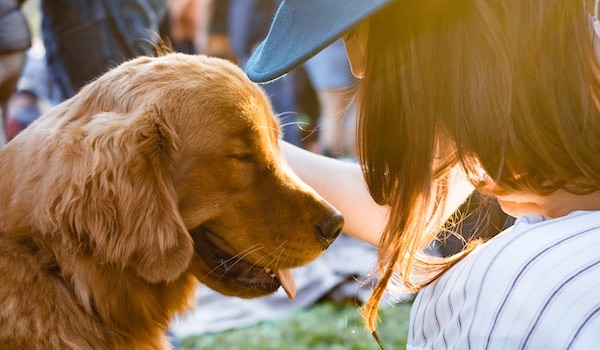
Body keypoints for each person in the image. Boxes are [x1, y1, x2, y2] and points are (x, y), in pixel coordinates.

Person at [245, 0, 600, 348]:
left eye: (352, 32)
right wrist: (249, 152)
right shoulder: (532, 82)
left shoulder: (510, 295)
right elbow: (407, 209)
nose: (356, 67)